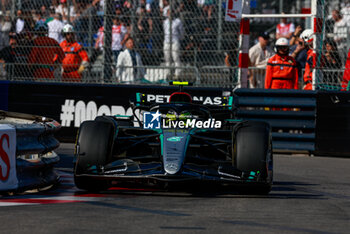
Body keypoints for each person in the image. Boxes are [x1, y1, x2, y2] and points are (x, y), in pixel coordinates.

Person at [163, 8, 184, 77]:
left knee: (175, 57)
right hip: (167, 41)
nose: (170, 14)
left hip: (175, 41)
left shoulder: (178, 21)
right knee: (167, 58)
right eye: (169, 13)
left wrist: (180, 38)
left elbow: (181, 32)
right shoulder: (165, 22)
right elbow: (164, 31)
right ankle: (168, 73)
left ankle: (177, 73)